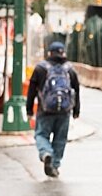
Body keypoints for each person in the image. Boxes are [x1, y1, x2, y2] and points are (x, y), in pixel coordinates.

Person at [26, 38, 81, 178]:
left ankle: (46, 153)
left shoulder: (40, 68)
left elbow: (31, 90)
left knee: (41, 134)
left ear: (49, 53)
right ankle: (55, 165)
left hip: (45, 110)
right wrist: (76, 110)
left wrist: (29, 110)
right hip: (64, 111)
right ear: (63, 53)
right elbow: (76, 90)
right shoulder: (70, 69)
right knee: (60, 138)